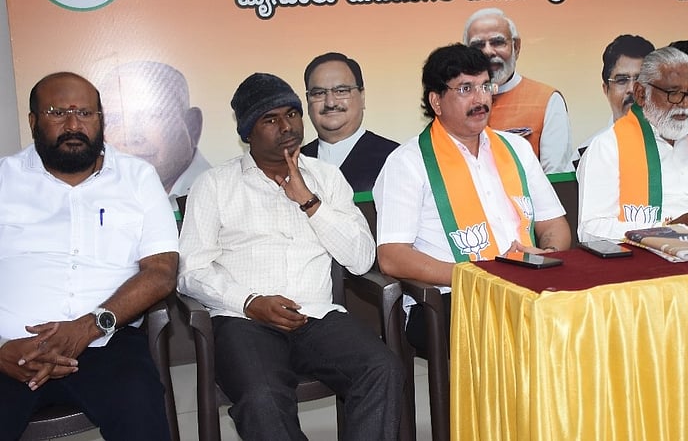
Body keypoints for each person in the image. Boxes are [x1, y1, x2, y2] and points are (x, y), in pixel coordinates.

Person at [177, 72, 405, 441]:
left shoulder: (326, 178)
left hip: (316, 316)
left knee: (382, 369)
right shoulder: (214, 185)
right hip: (243, 320)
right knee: (262, 398)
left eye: (292, 114)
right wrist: (249, 302)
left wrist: (309, 202)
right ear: (247, 132)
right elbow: (190, 270)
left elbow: (361, 261)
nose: (287, 126)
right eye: (271, 119)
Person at [0, 72, 178, 440]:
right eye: (57, 112)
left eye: (85, 113)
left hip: (105, 341)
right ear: (33, 121)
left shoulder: (138, 178)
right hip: (10, 349)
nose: (73, 124)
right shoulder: (5, 179)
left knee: (140, 410)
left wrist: (86, 327)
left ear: (102, 120)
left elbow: (161, 271)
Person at [374, 44, 571, 352]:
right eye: (466, 88)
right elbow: (392, 256)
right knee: (525, 335)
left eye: (485, 87)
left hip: (527, 285)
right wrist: (476, 275)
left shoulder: (516, 149)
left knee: (587, 320)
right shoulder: (408, 162)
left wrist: (543, 255)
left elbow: (555, 226)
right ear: (436, 101)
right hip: (450, 298)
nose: (481, 99)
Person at [577, 47, 688, 241]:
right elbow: (590, 231)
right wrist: (670, 229)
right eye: (673, 93)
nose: (685, 105)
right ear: (641, 94)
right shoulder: (608, 146)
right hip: (648, 265)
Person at [463, 7, 576, 173]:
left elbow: (554, 178)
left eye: (497, 42)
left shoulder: (546, 100)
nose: (488, 51)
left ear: (516, 47)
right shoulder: (455, 101)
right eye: (478, 45)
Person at [99, 61, 210, 211]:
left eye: (152, 115)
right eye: (114, 120)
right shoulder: (93, 201)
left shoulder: (226, 197)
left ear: (192, 127)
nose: (131, 137)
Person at [300, 52, 399, 193]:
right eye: (319, 93)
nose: (330, 102)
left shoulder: (394, 158)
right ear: (307, 100)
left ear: (362, 96)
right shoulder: (294, 162)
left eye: (341, 91)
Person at [578, 34, 655, 154]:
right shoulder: (588, 153)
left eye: (640, 79)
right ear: (606, 89)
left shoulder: (678, 147)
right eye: (622, 80)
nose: (631, 89)